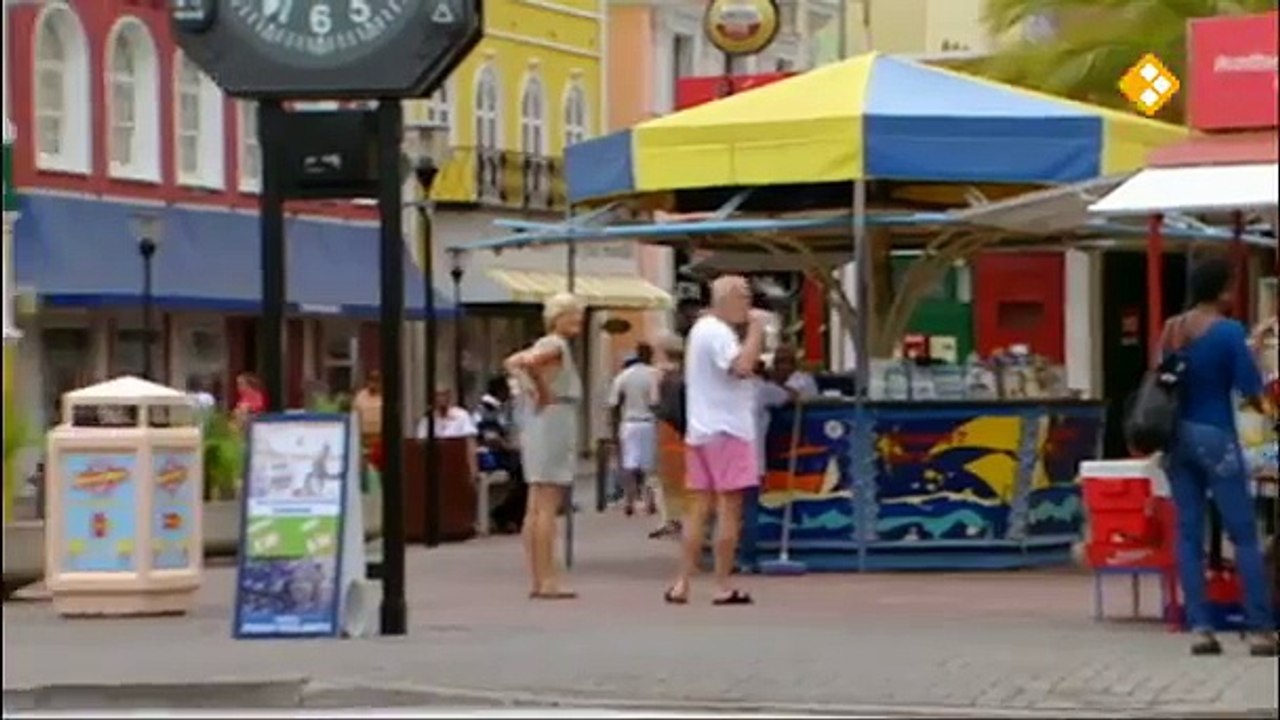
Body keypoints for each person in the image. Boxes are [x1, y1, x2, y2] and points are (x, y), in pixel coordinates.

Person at [1161, 256, 1277, 657]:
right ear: (1223, 290)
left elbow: (1164, 381)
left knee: (1189, 534)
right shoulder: (1228, 332)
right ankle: (1261, 627)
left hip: (1177, 438)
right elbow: (1250, 388)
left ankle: (1201, 627)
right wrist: (1257, 355)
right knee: (1243, 532)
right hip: (1216, 435)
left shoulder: (1172, 329)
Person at [666, 275, 768, 606]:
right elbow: (741, 367)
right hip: (729, 430)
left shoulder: (700, 331)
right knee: (729, 507)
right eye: (745, 298)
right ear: (728, 299)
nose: (748, 306)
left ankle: (682, 582)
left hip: (701, 429)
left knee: (698, 507)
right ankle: (721, 584)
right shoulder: (719, 332)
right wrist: (756, 331)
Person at [505, 292, 585, 600]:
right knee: (548, 504)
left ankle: (538, 578)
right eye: (572, 314)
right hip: (555, 418)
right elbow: (528, 363)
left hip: (538, 421)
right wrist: (542, 390)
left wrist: (530, 390)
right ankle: (549, 579)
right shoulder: (555, 345)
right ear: (558, 317)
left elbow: (513, 361)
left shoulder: (544, 343)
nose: (578, 320)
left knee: (535, 504)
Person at [608, 342, 660, 516]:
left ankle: (629, 500)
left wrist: (613, 427)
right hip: (648, 422)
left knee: (629, 464)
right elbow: (655, 402)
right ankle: (649, 500)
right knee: (649, 465)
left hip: (629, 422)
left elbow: (614, 403)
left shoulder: (624, 376)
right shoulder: (653, 374)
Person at [476, 374, 528, 534]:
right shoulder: (487, 408)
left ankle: (511, 516)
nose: (510, 394)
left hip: (501, 453)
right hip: (490, 455)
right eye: (507, 390)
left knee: (525, 476)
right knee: (524, 476)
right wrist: (510, 448)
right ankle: (504, 515)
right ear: (500, 391)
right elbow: (491, 438)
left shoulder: (501, 408)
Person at [651, 333, 688, 540]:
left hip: (671, 434)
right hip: (682, 433)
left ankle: (673, 519)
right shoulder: (687, 374)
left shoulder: (665, 378)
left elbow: (663, 407)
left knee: (669, 479)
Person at [418, 388, 478, 481]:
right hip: (436, 469)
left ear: (450, 397)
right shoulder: (427, 420)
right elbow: (421, 443)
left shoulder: (462, 416)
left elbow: (470, 443)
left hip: (457, 467)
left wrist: (473, 469)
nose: (441, 398)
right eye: (438, 395)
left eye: (444, 395)